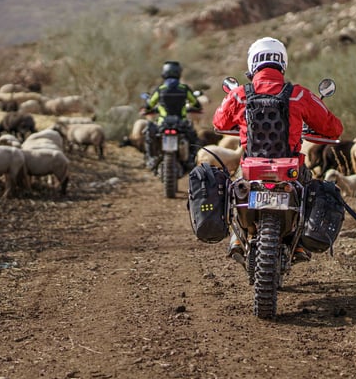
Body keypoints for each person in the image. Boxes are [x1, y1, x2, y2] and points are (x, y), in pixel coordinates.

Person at [212, 37, 343, 263]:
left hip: (251, 168)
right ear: (282, 62)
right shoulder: (299, 94)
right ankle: (299, 244)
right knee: (308, 187)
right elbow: (333, 128)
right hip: (290, 169)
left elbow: (219, 122)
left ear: (253, 63)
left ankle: (236, 237)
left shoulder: (239, 94)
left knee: (235, 187)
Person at [143, 61, 203, 171]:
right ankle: (191, 160)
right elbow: (196, 104)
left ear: (164, 73)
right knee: (194, 138)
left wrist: (150, 108)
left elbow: (149, 105)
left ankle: (151, 159)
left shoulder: (160, 89)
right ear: (179, 73)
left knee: (149, 134)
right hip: (181, 123)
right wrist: (195, 107)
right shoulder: (184, 89)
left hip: (163, 123)